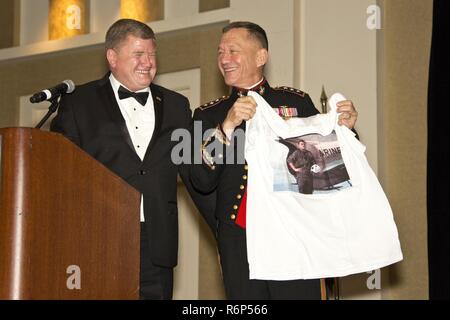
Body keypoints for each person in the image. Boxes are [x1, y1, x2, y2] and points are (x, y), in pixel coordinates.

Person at [190, 21, 358, 299]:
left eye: (233, 50)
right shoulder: (208, 114)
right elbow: (201, 179)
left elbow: (330, 166)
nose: (224, 59)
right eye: (220, 52)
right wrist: (227, 126)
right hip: (240, 240)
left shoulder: (296, 102)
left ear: (261, 57)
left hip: (293, 233)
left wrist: (347, 128)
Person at [50, 19, 212, 300]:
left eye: (152, 54)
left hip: (157, 243)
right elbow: (61, 173)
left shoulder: (177, 105)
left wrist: (225, 134)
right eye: (138, 54)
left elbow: (197, 172)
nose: (148, 62)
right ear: (112, 57)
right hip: (98, 240)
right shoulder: (78, 103)